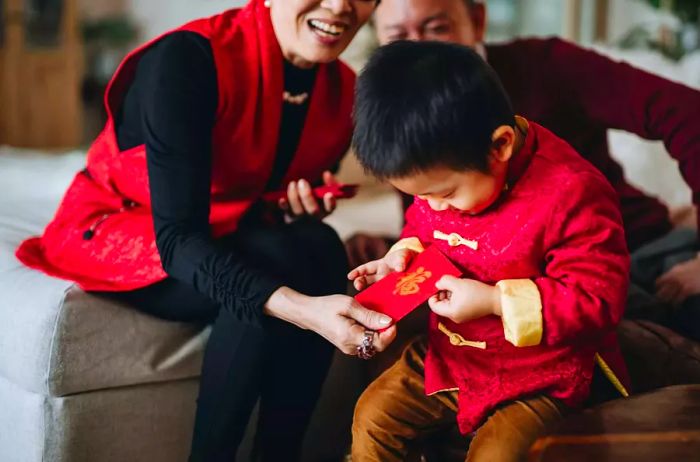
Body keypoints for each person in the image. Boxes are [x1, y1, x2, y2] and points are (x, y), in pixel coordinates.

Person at [15, 1, 396, 460]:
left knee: (318, 244)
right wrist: (304, 310)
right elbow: (178, 240)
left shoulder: (340, 92)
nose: (339, 6)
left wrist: (292, 208)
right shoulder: (189, 58)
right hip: (129, 222)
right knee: (265, 270)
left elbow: (266, 190)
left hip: (230, 223)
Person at [346, 0, 700, 340]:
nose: (418, 52)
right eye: (397, 37)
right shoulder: (394, 108)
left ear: (478, 20)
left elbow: (689, 114)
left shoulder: (549, 67)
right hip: (519, 288)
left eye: (437, 28)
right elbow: (443, 223)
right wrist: (396, 250)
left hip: (636, 248)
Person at [348, 40, 630, 462]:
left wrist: (497, 301)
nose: (433, 206)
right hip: (451, 357)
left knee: (499, 453)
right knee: (372, 416)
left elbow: (597, 298)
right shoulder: (444, 170)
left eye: (443, 194)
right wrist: (401, 256)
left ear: (499, 146)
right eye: (421, 196)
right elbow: (423, 227)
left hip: (541, 373)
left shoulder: (572, 191)